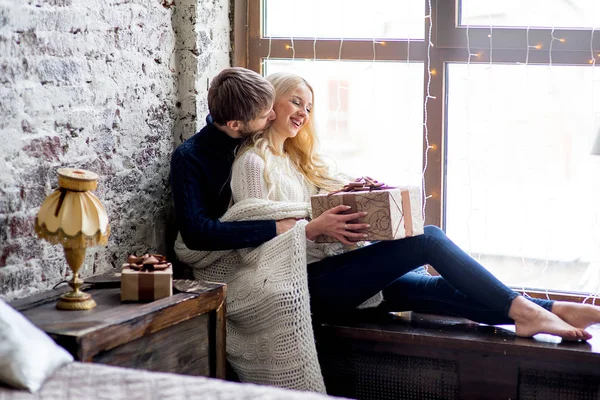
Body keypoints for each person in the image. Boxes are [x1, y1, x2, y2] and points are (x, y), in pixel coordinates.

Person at [174, 70, 600, 392]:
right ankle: (527, 312)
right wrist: (309, 228)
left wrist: (352, 201)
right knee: (428, 240)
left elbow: (313, 214)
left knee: (426, 290)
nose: (302, 112)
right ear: (268, 109)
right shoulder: (251, 161)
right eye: (292, 102)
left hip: (329, 273)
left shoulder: (300, 161)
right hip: (300, 285)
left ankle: (550, 310)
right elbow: (258, 240)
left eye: (310, 106)